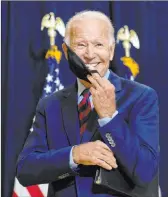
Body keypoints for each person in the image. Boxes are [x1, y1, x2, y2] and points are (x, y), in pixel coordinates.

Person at [16, 10, 160, 197]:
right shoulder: (50, 104)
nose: (90, 54)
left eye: (98, 44)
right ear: (66, 52)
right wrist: (74, 155)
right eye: (81, 45)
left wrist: (110, 119)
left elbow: (145, 171)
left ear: (111, 50)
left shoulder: (142, 97)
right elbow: (25, 170)